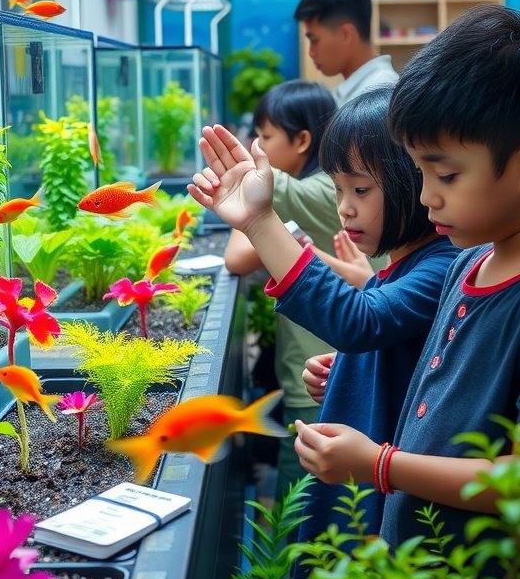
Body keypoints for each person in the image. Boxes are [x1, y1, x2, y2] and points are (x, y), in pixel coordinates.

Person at [293, 4, 520, 552]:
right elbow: (434, 393)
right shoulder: (469, 265)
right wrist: (353, 374)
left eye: (446, 174)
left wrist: (381, 465)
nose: (426, 197)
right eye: (420, 173)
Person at [189, 87, 458, 538]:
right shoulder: (404, 266)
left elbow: (360, 321)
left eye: (360, 189)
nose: (344, 207)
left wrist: (259, 221)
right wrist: (352, 371)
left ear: (417, 182)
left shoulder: (442, 264)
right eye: (337, 188)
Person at [225, 79, 357, 500]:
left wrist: (251, 197)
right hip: (316, 362)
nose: (256, 145)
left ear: (302, 140)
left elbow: (237, 258)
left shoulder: (309, 191)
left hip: (316, 369)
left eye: (264, 137)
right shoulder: (314, 188)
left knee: (299, 494)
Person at [295, 0, 398, 108]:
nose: (311, 53)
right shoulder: (360, 90)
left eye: (315, 40)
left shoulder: (377, 95)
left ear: (346, 34)